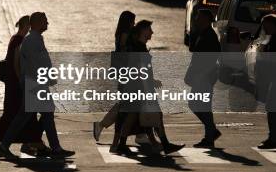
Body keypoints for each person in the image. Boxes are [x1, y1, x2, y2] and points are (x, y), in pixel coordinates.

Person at [0, 12, 74, 159]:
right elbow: (35, 65)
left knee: (40, 115)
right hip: (35, 84)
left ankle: (7, 145)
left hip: (36, 84)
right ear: (37, 23)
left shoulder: (35, 39)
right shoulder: (32, 41)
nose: (47, 23)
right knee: (29, 116)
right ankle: (6, 145)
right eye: (45, 21)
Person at [116, 20, 185, 155]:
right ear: (143, 31)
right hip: (140, 89)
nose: (152, 32)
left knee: (132, 116)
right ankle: (165, 145)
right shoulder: (139, 48)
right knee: (155, 115)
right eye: (149, 29)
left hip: (134, 88)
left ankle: (122, 144)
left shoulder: (136, 46)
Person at [0, 16, 47, 156]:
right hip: (16, 86)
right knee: (12, 116)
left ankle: (29, 143)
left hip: (12, 84)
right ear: (26, 26)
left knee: (24, 116)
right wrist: (22, 82)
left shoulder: (14, 38)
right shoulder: (20, 41)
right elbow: (16, 64)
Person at [93, 10, 136, 142]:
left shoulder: (122, 33)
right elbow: (124, 51)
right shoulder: (125, 34)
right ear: (128, 22)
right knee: (126, 104)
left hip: (125, 71)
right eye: (132, 21)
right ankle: (101, 125)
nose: (134, 24)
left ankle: (141, 134)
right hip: (127, 72)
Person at [186, 9, 221, 148]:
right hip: (202, 76)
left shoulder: (210, 36)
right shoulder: (203, 33)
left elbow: (212, 58)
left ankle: (210, 134)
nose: (196, 19)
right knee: (200, 105)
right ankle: (210, 134)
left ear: (206, 19)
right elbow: (193, 50)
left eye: (199, 17)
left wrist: (202, 74)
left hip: (205, 77)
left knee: (198, 105)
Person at [258, 14, 276, 149]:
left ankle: (273, 138)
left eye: (265, 25)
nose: (263, 28)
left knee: (271, 108)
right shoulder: (271, 38)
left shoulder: (274, 39)